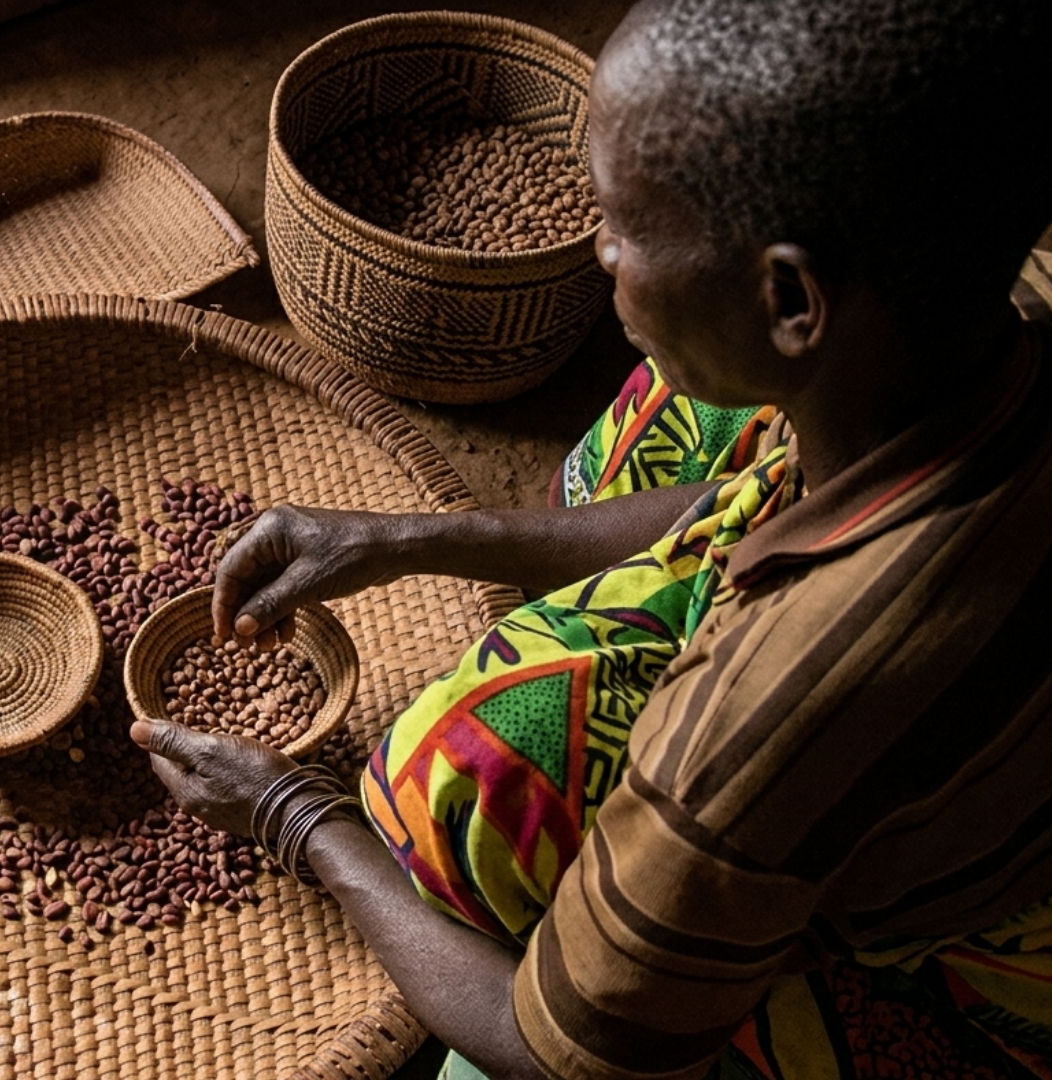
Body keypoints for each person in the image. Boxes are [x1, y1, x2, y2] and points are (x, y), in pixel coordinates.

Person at [130, 0, 1052, 1077]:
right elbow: (746, 490)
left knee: (454, 773)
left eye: (623, 222)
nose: (600, 249)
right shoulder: (973, 341)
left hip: (975, 958)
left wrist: (297, 816)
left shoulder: (753, 738)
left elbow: (551, 1051)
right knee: (687, 407)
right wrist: (416, 538)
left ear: (792, 298)